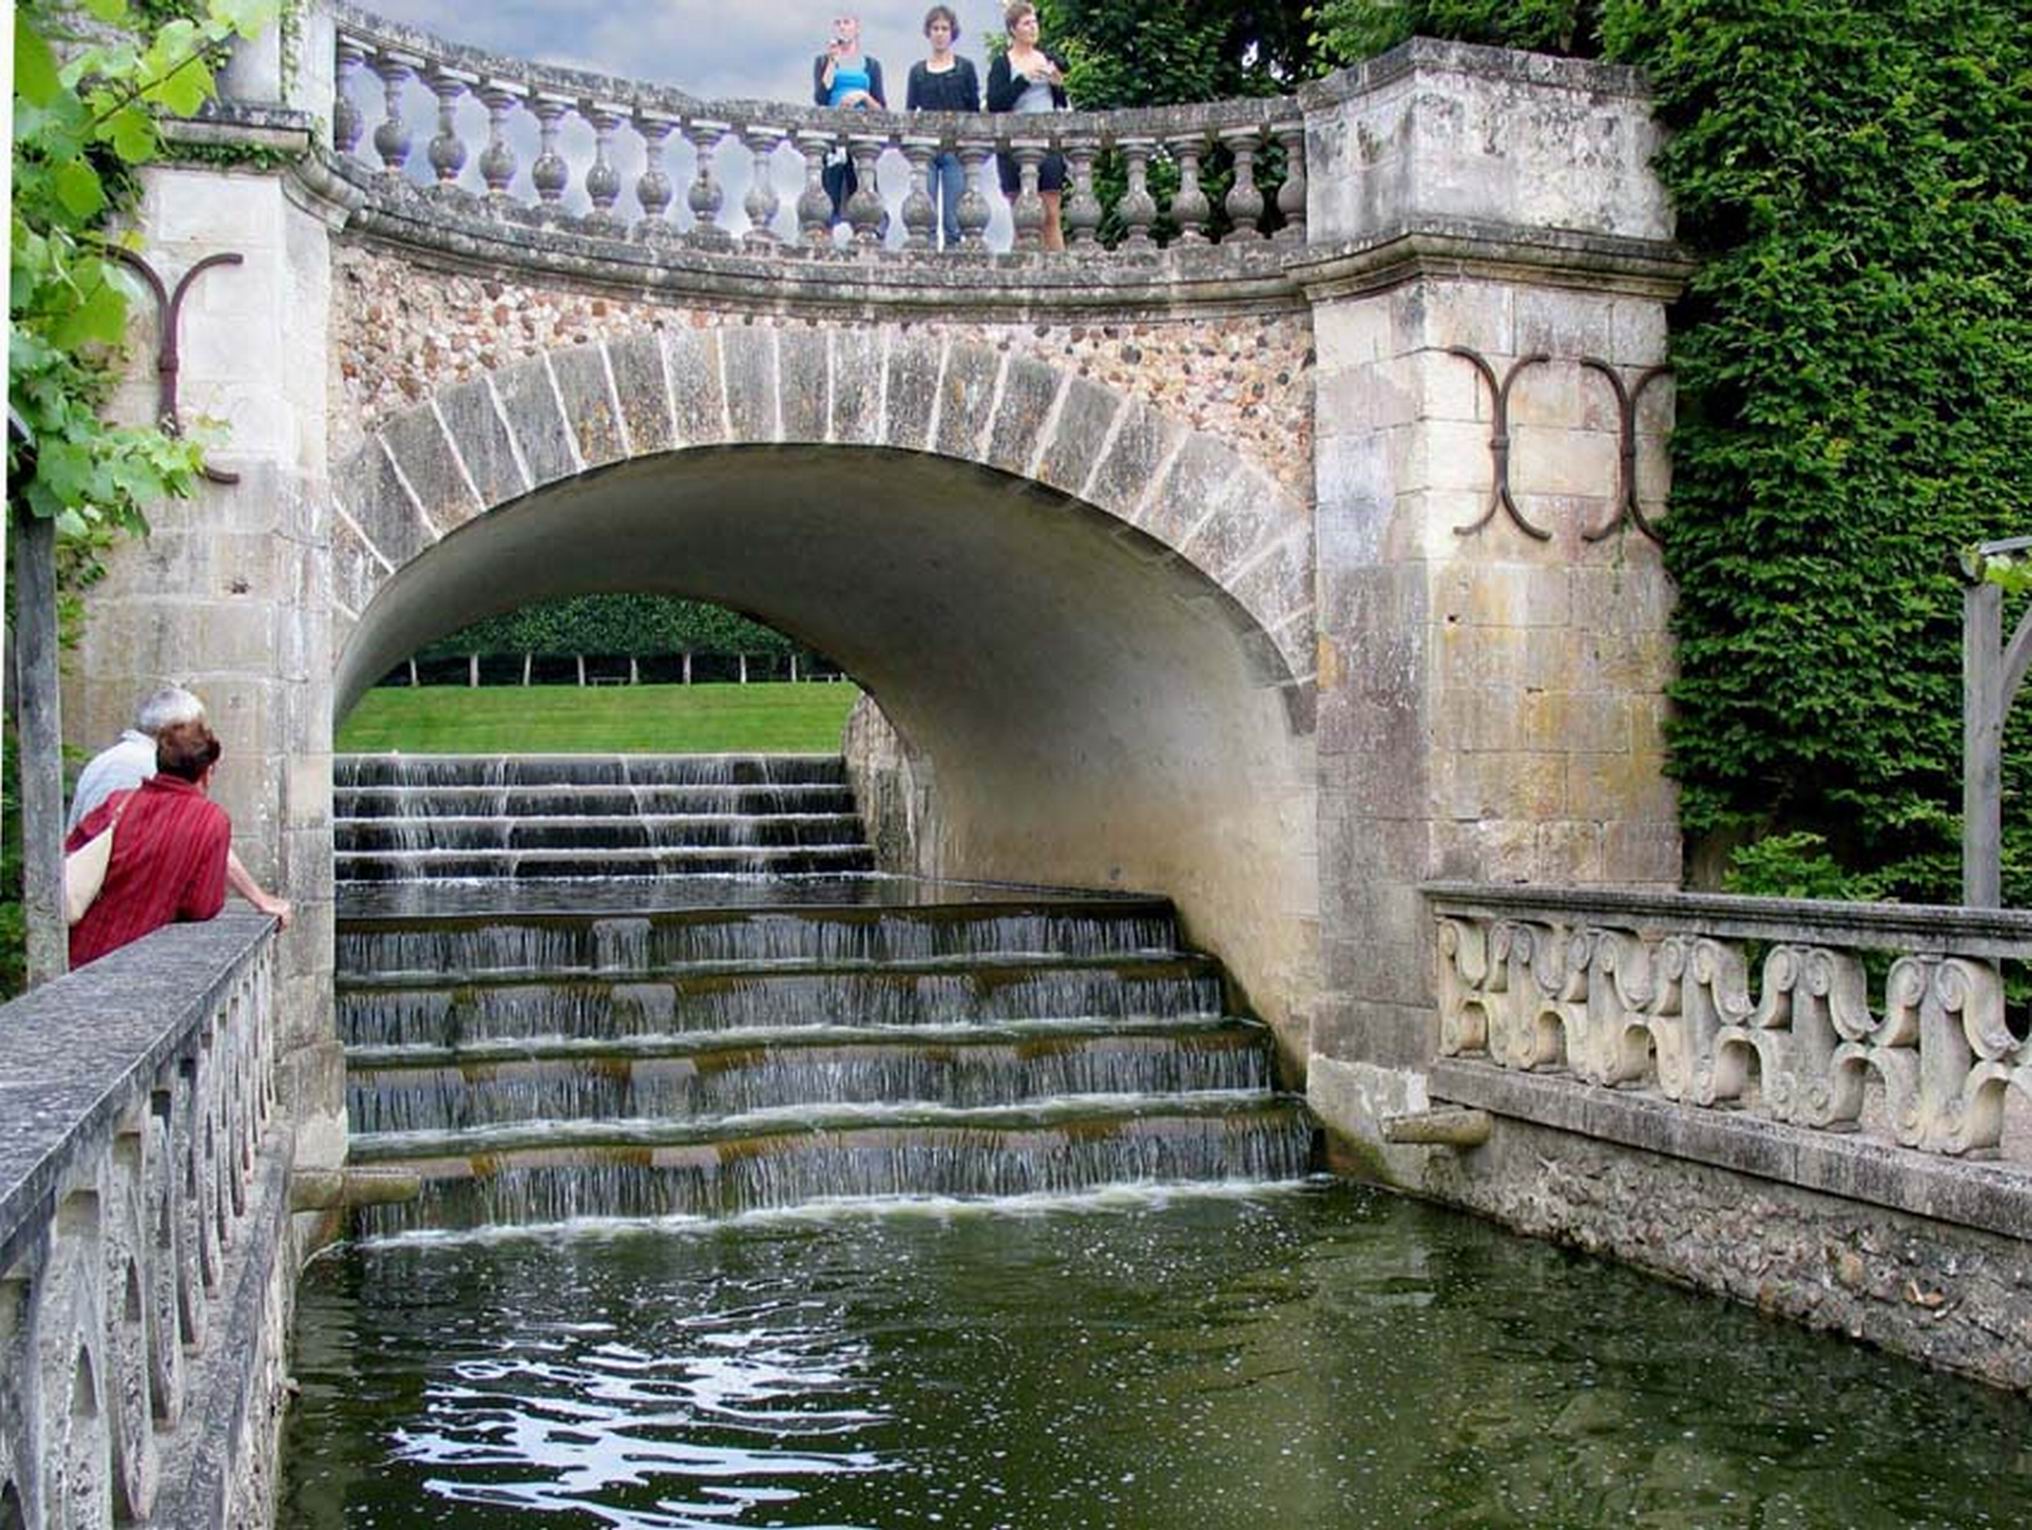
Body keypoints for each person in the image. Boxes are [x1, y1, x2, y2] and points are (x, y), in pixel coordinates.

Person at [69, 685, 293, 930]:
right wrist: (258, 898)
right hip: (115, 915)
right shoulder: (147, 766)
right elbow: (200, 834)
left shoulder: (107, 760)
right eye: (193, 729)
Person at [67, 721, 249, 968]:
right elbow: (202, 906)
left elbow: (70, 853)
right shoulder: (211, 820)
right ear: (207, 772)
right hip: (145, 961)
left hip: (83, 953)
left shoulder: (119, 802)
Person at [986, 1, 1069, 251]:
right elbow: (995, 103)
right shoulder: (1003, 63)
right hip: (1014, 145)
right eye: (1026, 23)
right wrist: (1024, 79)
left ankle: (1058, 269)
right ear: (1013, 30)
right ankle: (1019, 270)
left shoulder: (1047, 58)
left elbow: (1060, 103)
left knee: (1051, 213)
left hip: (1048, 142)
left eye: (1034, 22)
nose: (1033, 28)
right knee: (1021, 218)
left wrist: (1056, 84)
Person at [905, 6, 980, 250]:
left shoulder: (965, 68)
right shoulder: (917, 71)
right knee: (924, 215)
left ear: (952, 32)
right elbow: (910, 112)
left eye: (944, 29)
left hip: (955, 150)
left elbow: (974, 111)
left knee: (953, 219)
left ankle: (952, 257)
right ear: (928, 32)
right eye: (935, 28)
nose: (939, 33)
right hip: (926, 150)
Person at [813, 14, 887, 228]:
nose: (842, 27)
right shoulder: (823, 61)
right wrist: (832, 61)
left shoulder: (871, 65)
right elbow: (821, 97)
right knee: (830, 187)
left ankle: (867, 233)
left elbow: (881, 108)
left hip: (861, 134)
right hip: (834, 133)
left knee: (863, 189)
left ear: (857, 28)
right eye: (838, 23)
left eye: (846, 22)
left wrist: (862, 96)